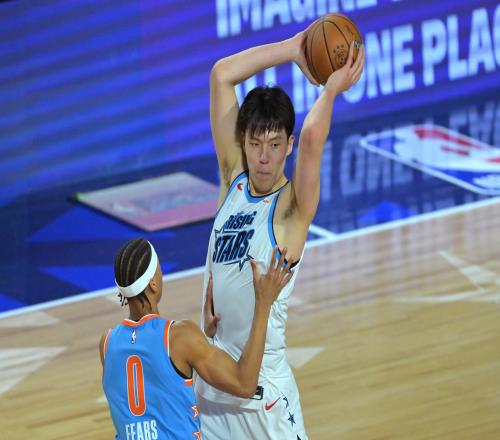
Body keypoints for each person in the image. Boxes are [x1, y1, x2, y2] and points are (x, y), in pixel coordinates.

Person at [196, 27, 365, 439]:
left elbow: (312, 136)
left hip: (264, 400)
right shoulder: (233, 181)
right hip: (212, 393)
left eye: (274, 145)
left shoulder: (292, 209)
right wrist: (292, 48)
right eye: (255, 144)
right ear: (243, 142)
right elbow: (221, 75)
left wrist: (330, 89)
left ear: (288, 145)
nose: (264, 157)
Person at [99, 237, 293, 440]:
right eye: (159, 269)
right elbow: (245, 384)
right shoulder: (179, 337)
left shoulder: (107, 344)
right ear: (153, 284)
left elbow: (157, 384)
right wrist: (263, 303)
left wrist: (206, 338)